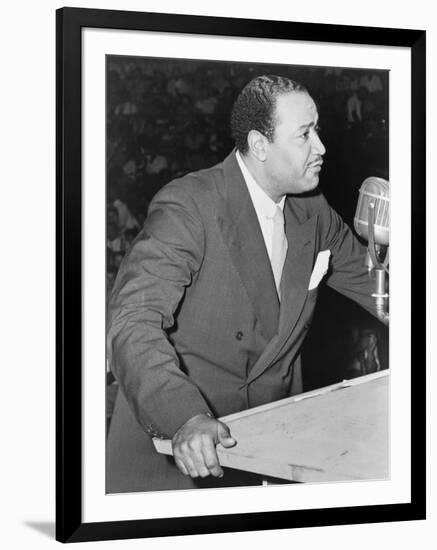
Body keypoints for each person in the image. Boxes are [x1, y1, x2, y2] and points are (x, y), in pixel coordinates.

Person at [106, 74, 385, 493]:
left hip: (269, 456)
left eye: (318, 130)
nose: (322, 147)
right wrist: (184, 417)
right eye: (305, 135)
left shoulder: (314, 211)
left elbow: (383, 291)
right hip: (176, 459)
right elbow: (132, 320)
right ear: (259, 145)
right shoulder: (190, 205)